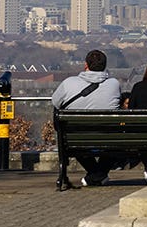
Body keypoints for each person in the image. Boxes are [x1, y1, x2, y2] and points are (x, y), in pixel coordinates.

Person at [51, 49, 123, 187]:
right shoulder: (113, 84)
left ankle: (95, 174)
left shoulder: (68, 83)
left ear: (86, 65)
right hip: (107, 136)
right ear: (104, 66)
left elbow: (55, 102)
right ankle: (98, 174)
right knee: (116, 144)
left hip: (75, 136)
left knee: (67, 130)